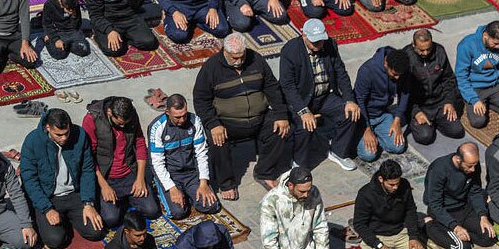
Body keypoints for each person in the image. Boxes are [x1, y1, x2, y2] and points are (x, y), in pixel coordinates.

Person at [193, 32, 292, 198]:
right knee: (216, 140)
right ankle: (226, 183)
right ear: (224, 51)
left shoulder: (256, 60)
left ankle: (264, 172)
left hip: (259, 118)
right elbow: (201, 100)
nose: (238, 61)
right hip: (228, 122)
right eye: (234, 58)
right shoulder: (211, 68)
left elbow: (272, 87)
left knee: (281, 129)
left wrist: (281, 114)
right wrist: (213, 123)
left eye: (241, 57)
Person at [279, 19, 360, 171]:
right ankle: (299, 162)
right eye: (314, 42)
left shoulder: (330, 45)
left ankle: (338, 151)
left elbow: (341, 73)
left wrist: (349, 99)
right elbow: (288, 86)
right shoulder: (290, 51)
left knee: (350, 113)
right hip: (302, 98)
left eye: (320, 41)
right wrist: (303, 110)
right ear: (304, 36)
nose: (318, 46)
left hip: (325, 96)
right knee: (305, 125)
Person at [20, 107, 107, 249]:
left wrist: (88, 203)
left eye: (66, 133)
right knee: (56, 241)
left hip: (75, 194)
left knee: (97, 231)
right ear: (48, 128)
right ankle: (54, 221)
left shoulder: (80, 135)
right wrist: (46, 208)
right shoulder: (33, 141)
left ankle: (68, 219)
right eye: (58, 135)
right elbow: (29, 179)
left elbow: (87, 170)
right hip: (49, 197)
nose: (64, 138)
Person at [82, 97, 160, 228]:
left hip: (129, 173)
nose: (123, 127)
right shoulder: (92, 119)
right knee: (111, 219)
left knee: (152, 211)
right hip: (106, 176)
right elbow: (88, 156)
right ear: (109, 113)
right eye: (119, 124)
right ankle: (119, 201)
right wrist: (104, 186)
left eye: (125, 124)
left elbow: (140, 144)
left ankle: (124, 200)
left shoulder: (131, 115)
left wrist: (140, 178)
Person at [147, 94, 219, 220]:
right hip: (171, 175)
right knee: (178, 213)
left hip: (191, 173)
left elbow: (201, 153)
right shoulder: (157, 128)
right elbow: (157, 163)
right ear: (167, 112)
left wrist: (203, 182)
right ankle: (165, 192)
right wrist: (172, 188)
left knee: (211, 206)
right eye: (177, 117)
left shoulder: (195, 121)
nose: (182, 120)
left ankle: (189, 192)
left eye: (184, 115)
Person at [353, 160, 432, 249]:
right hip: (378, 238)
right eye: (391, 184)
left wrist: (413, 236)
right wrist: (379, 245)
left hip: (400, 234)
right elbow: (359, 224)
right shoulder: (366, 194)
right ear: (381, 179)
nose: (395, 187)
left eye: (397, 183)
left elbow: (410, 210)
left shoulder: (404, 185)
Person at [422, 143, 497, 249]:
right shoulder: (439, 169)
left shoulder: (473, 167)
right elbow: (435, 204)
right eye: (469, 166)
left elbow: (475, 192)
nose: (473, 169)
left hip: (464, 207)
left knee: (489, 237)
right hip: (444, 211)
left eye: (475, 165)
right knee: (462, 247)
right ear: (458, 159)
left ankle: (461, 231)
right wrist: (455, 227)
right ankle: (429, 225)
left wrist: (483, 216)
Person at [259, 167, 332, 249]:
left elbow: (320, 225)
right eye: (302, 191)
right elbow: (269, 241)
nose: (306, 195)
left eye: (308, 190)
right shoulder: (271, 201)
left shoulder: (313, 192)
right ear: (291, 185)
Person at [405, 29, 464, 146]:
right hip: (419, 105)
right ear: (414, 45)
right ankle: (418, 122)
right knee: (425, 137)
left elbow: (448, 79)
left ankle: (437, 122)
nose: (426, 53)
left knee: (457, 131)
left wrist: (448, 101)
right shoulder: (406, 57)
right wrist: (415, 112)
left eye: (428, 49)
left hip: (439, 103)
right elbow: (404, 91)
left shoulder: (440, 51)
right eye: (422, 50)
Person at [456, 21, 499, 128]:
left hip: (496, 86)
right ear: (485, 35)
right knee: (478, 122)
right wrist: (474, 99)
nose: (498, 47)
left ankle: (491, 103)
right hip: (476, 88)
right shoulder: (466, 45)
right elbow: (461, 77)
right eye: (495, 43)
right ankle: (474, 102)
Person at [355, 48, 411, 162]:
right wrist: (367, 129)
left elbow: (405, 93)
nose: (397, 78)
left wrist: (397, 120)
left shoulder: (402, 68)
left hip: (382, 114)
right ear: (386, 64)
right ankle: (357, 138)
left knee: (398, 147)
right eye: (394, 74)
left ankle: (377, 136)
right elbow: (359, 100)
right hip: (363, 118)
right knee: (369, 155)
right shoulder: (367, 70)